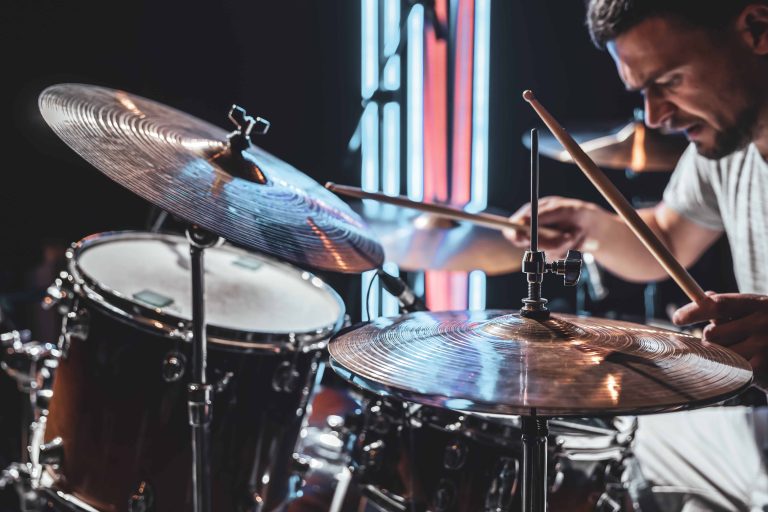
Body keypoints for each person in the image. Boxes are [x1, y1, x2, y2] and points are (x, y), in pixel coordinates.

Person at [505, 1, 768, 510]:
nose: (654, 116)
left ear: (756, 29)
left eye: (669, 80)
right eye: (642, 91)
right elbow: (668, 238)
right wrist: (591, 227)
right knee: (628, 448)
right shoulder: (725, 148)